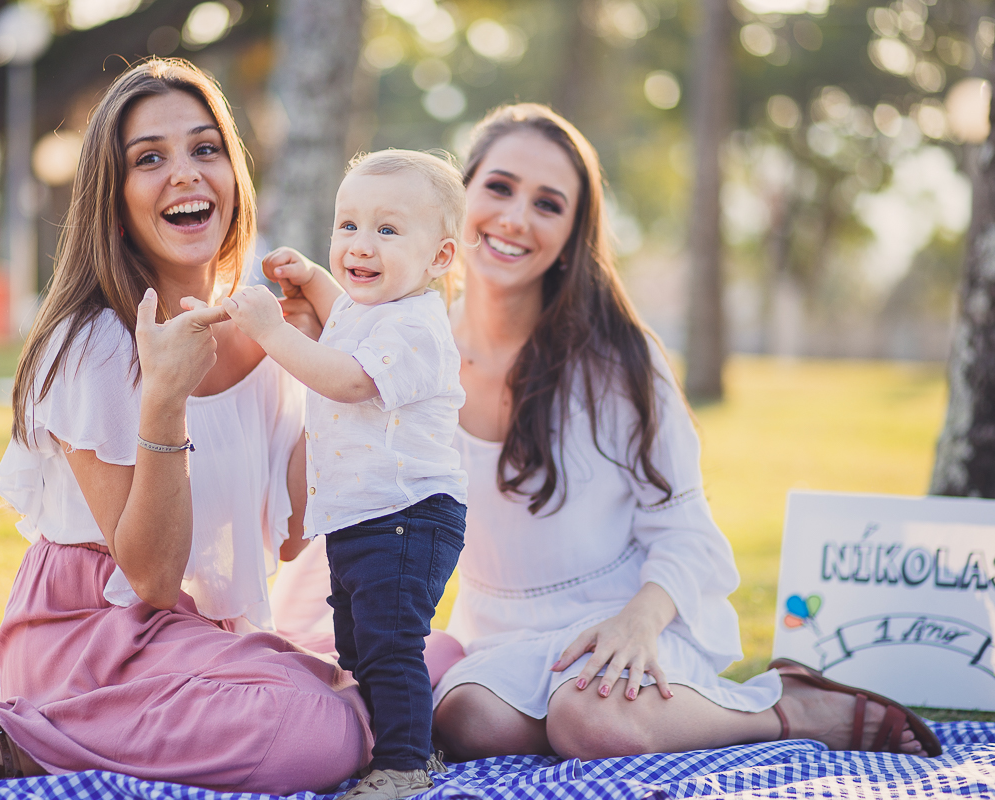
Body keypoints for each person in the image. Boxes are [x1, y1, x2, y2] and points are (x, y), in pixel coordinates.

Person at [272, 103, 941, 761]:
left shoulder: (619, 359)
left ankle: (789, 706)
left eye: (548, 203)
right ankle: (592, 720)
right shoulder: (403, 355)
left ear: (573, 232)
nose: (513, 217)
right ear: (456, 206)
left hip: (632, 615)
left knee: (592, 720)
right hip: (505, 641)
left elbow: (688, 532)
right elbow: (357, 497)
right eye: (499, 187)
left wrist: (640, 620)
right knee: (467, 720)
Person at [0, 59, 372, 792]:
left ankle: (90, 730)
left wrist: (323, 370)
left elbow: (292, 535)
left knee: (423, 666)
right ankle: (34, 732)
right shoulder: (90, 344)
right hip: (91, 638)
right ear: (114, 199)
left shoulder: (264, 329)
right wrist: (163, 400)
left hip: (201, 642)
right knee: (318, 728)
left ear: (233, 175)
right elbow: (151, 579)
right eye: (148, 159)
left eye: (205, 148)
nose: (185, 173)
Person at [224, 150, 467, 800]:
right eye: (348, 225)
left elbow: (349, 378)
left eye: (388, 230)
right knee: (358, 645)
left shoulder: (416, 326)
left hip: (408, 517)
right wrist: (310, 275)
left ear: (440, 258)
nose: (361, 245)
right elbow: (342, 321)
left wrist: (272, 332)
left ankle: (405, 766)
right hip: (366, 518)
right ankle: (410, 738)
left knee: (389, 643)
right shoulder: (373, 307)